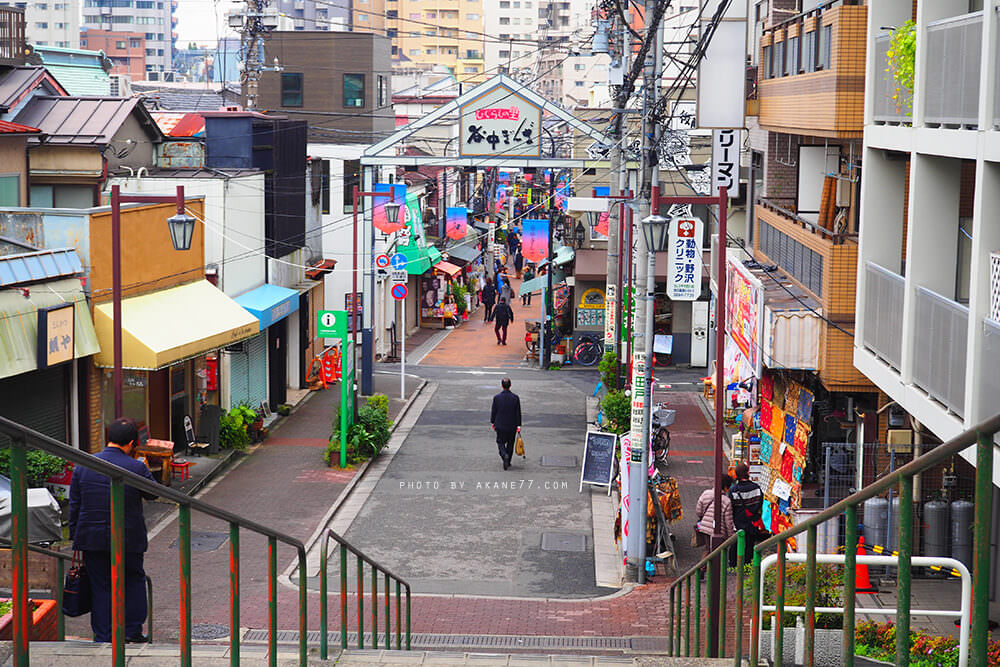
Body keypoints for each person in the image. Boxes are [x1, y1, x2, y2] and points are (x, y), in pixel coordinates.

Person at [69, 418, 158, 643]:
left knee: (101, 586)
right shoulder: (136, 467)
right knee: (133, 580)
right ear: (131, 443)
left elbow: (75, 505)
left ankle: (104, 636)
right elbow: (153, 494)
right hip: (128, 537)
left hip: (92, 538)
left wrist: (75, 536)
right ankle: (131, 631)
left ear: (108, 439)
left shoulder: (84, 464)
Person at [729, 462, 766, 564]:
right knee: (750, 543)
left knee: (735, 542)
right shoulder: (756, 488)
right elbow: (759, 503)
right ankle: (747, 563)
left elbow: (731, 507)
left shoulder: (734, 490)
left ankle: (733, 563)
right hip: (752, 521)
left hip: (738, 521)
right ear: (748, 473)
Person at [694, 474, 736, 556]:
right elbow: (729, 521)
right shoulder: (726, 501)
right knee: (717, 552)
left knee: (708, 549)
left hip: (705, 527)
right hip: (720, 530)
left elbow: (698, 511)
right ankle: (707, 567)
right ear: (726, 487)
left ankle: (704, 566)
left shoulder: (705, 493)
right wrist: (731, 535)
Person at [490, 377, 522, 470]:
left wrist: (492, 422)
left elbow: (494, 411)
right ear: (510, 385)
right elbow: (518, 413)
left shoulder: (497, 398)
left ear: (501, 386)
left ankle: (504, 455)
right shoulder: (515, 398)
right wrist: (518, 425)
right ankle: (508, 460)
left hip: (500, 424)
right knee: (510, 443)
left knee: (500, 442)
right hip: (512, 425)